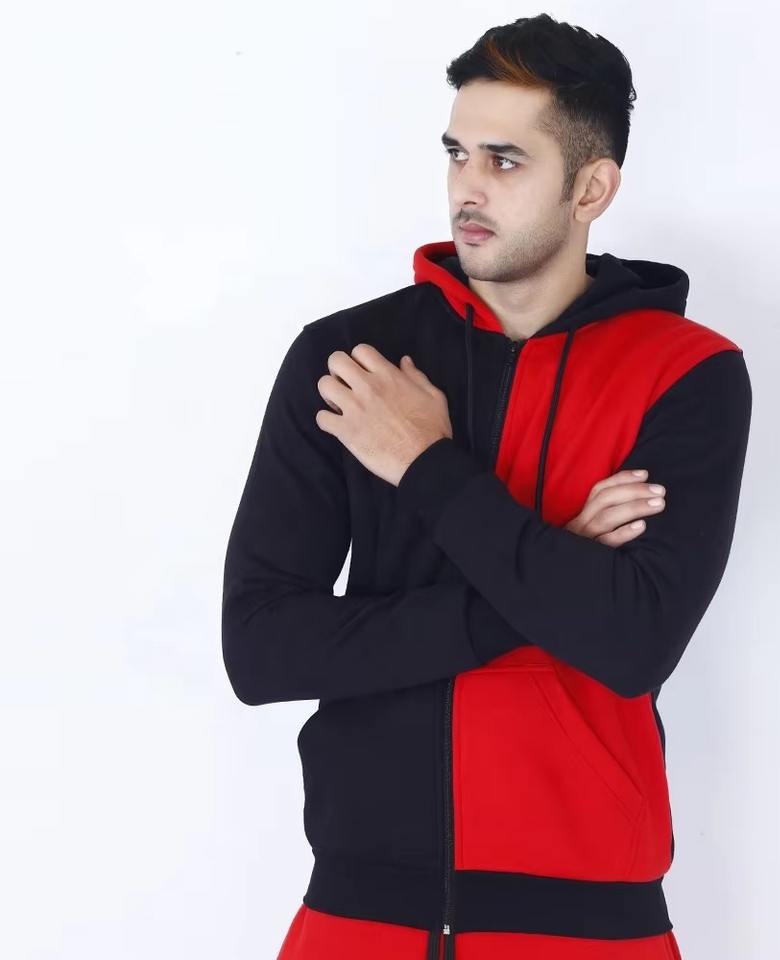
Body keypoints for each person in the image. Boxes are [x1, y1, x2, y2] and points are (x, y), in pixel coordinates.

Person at [222, 13, 751, 960]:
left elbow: (632, 643)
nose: (468, 187)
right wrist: (561, 568)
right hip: (359, 913)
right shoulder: (352, 364)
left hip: (593, 923)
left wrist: (424, 466)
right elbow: (261, 650)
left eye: (506, 161)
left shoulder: (684, 374)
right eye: (457, 153)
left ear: (591, 188)